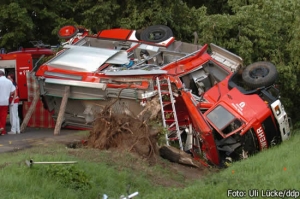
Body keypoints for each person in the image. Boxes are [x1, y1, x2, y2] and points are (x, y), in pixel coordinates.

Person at [0, 70, 15, 135]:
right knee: (3, 116)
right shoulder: (9, 82)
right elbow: (13, 91)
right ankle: (3, 131)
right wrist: (8, 94)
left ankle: (0, 128)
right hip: (5, 102)